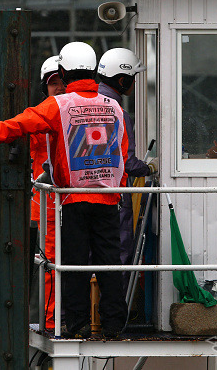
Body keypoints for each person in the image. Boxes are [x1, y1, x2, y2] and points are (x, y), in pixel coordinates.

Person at [0, 41, 129, 339]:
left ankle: (77, 323)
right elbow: (121, 151)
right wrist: (117, 192)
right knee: (109, 262)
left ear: (65, 72)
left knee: (71, 263)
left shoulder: (60, 104)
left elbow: (21, 123)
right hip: (108, 199)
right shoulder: (114, 107)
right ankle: (113, 324)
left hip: (72, 197)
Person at [96, 48, 157, 294]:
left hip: (80, 193)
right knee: (119, 254)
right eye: (132, 77)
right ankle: (114, 311)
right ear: (122, 80)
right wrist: (149, 167)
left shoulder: (82, 104)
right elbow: (127, 162)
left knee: (88, 256)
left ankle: (87, 314)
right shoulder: (119, 113)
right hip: (114, 196)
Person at [30, 55, 65, 329]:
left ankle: (70, 317)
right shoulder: (40, 117)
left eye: (63, 81)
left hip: (67, 200)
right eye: (54, 83)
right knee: (51, 264)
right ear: (45, 86)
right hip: (47, 207)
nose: (59, 87)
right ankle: (53, 320)